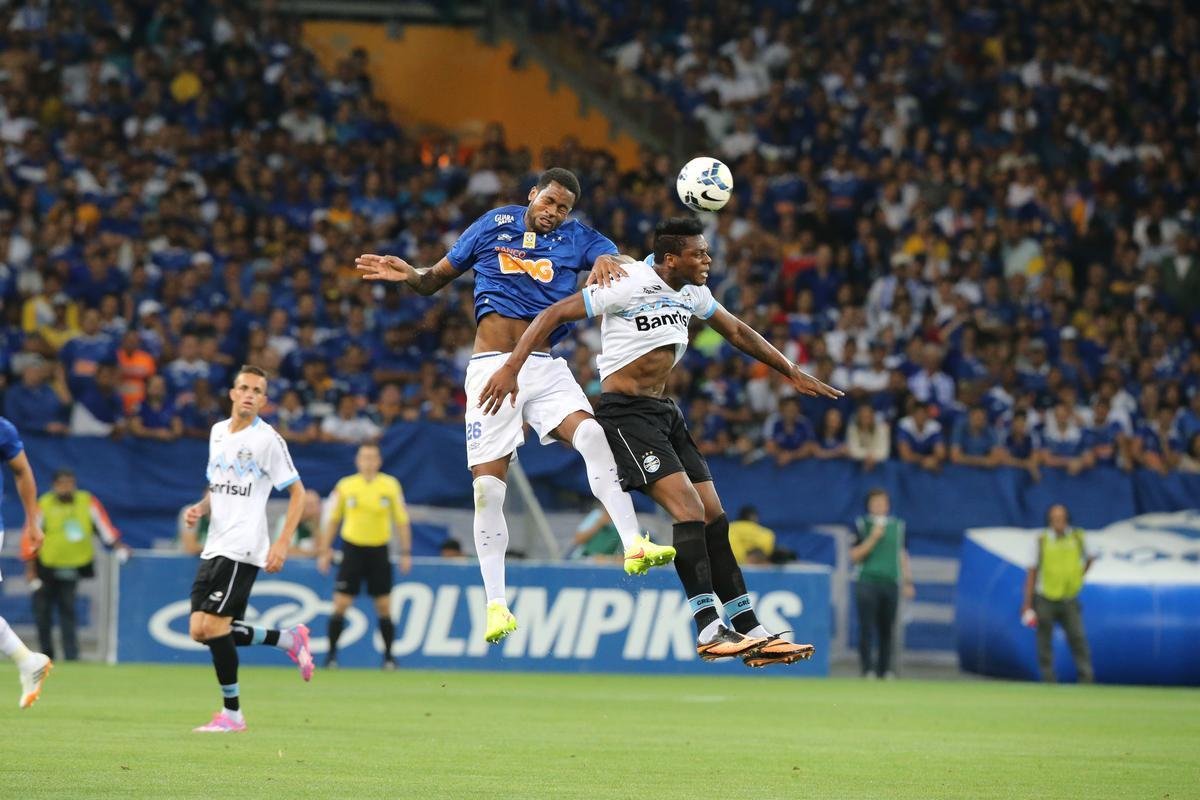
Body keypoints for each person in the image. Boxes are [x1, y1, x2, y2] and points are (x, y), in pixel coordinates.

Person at [480, 217, 841, 667]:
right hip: (625, 415)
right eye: (699, 254)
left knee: (714, 517)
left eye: (707, 253)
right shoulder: (626, 282)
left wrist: (790, 370)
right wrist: (512, 367)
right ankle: (710, 629)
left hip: (665, 413)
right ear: (671, 259)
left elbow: (739, 332)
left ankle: (751, 630)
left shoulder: (693, 293)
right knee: (688, 509)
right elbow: (552, 314)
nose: (707, 261)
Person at [356, 167, 675, 644]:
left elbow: (612, 253)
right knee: (488, 490)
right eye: (549, 202)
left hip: (544, 365)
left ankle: (633, 543)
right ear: (532, 194)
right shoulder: (493, 224)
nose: (554, 213)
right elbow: (434, 280)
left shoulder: (577, 237)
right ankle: (496, 606)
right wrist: (411, 274)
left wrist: (612, 258)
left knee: (591, 434)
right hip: (490, 367)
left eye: (563, 207)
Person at [183, 366, 314, 733]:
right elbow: (219, 484)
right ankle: (288, 639)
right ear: (232, 393)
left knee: (215, 625)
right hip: (215, 543)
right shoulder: (217, 433)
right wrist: (201, 508)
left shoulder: (268, 440)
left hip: (244, 545)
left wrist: (283, 541)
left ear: (264, 400)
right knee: (199, 630)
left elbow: (298, 493)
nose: (249, 394)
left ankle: (233, 715)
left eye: (257, 390)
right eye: (244, 388)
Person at [316, 443, 412, 669]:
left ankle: (389, 657)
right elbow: (333, 519)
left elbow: (402, 520)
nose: (368, 462)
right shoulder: (346, 485)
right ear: (357, 461)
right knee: (341, 603)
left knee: (384, 605)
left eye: (372, 457)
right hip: (353, 550)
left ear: (379, 461)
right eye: (364, 457)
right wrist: (324, 550)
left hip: (379, 550)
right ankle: (331, 656)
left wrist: (406, 552)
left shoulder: (390, 485)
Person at [32, 469, 130, 661]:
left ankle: (71, 656)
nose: (66, 487)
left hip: (74, 565)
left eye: (70, 483)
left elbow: (103, 527)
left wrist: (118, 547)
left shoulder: (86, 501)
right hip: (46, 565)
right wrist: (30, 569)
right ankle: (45, 655)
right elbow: (31, 535)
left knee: (68, 610)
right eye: (62, 483)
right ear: (55, 485)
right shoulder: (44, 503)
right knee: (43, 613)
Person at [0, 416, 53, 708]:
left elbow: (22, 471)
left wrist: (32, 522)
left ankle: (27, 660)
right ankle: (27, 660)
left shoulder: (3, 429)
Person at [1020, 504, 1095, 683]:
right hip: (1046, 597)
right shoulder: (1041, 540)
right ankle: (1048, 679)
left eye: (1061, 517)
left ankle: (1086, 678)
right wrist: (1027, 603)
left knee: (1078, 638)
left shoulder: (1078, 537)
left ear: (1067, 518)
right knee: (1044, 640)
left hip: (1069, 597)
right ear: (1049, 520)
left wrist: (1078, 576)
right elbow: (1032, 572)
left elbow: (1091, 557)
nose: (1058, 521)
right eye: (1054, 518)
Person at [850, 488, 914, 679]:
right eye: (875, 502)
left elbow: (902, 554)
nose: (879, 506)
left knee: (887, 629)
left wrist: (908, 581)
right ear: (869, 505)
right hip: (866, 581)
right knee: (866, 627)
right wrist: (873, 538)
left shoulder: (899, 526)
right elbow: (854, 556)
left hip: (890, 582)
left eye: (882, 502)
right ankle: (867, 669)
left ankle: (885, 669)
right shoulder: (861, 525)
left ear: (888, 505)